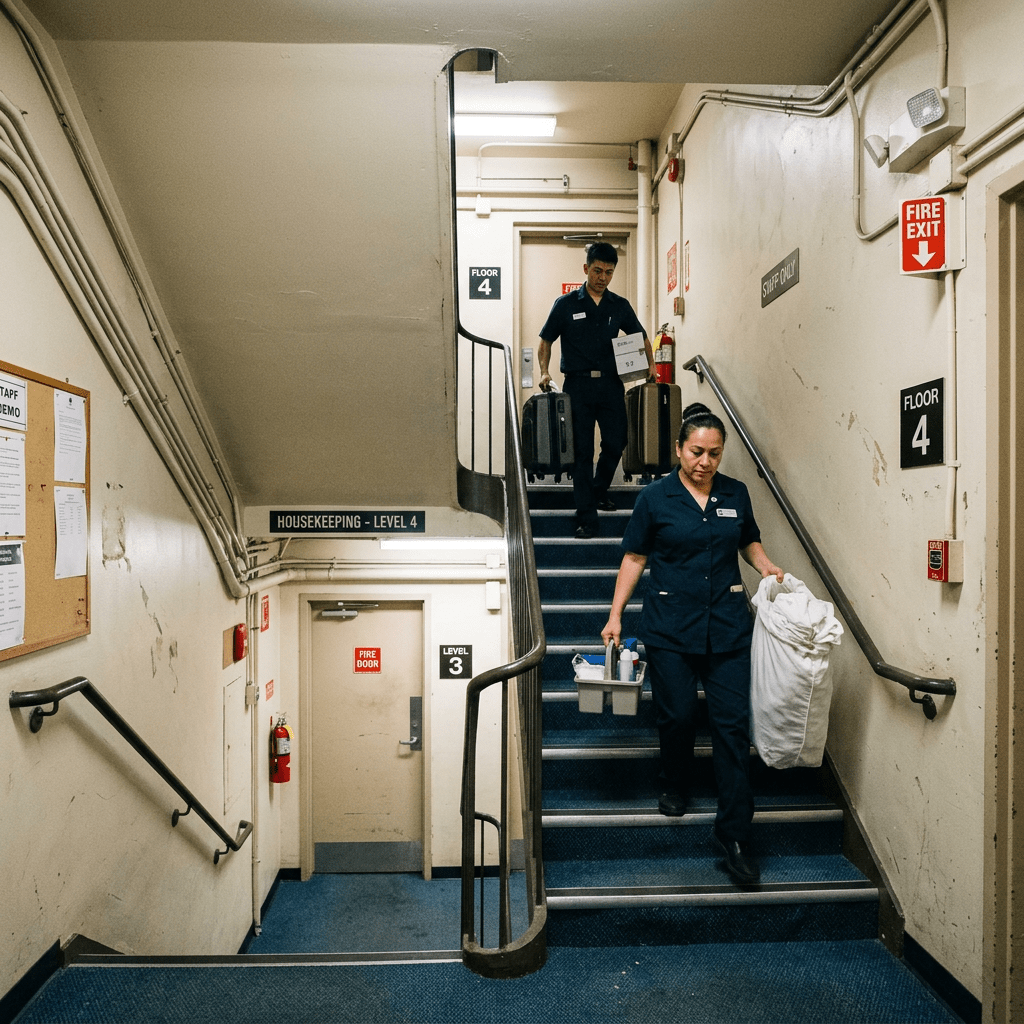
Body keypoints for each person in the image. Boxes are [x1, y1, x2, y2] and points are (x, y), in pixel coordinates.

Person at [600, 403, 784, 885]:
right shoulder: (656, 498)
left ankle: (736, 837)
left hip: (726, 627)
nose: (705, 462)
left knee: (731, 727)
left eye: (714, 454)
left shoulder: (736, 494)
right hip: (670, 627)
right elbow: (635, 557)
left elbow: (748, 540)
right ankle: (675, 781)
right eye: (697, 451)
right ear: (680, 449)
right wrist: (615, 614)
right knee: (677, 714)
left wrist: (763, 565)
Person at [538, 241, 656, 539]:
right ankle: (586, 516)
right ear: (586, 268)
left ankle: (598, 489)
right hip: (577, 384)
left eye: (609, 272)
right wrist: (543, 370)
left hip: (610, 383)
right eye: (597, 270)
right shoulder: (565, 304)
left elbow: (640, 336)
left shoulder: (619, 305)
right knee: (581, 452)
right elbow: (546, 340)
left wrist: (651, 366)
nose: (602, 277)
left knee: (617, 441)